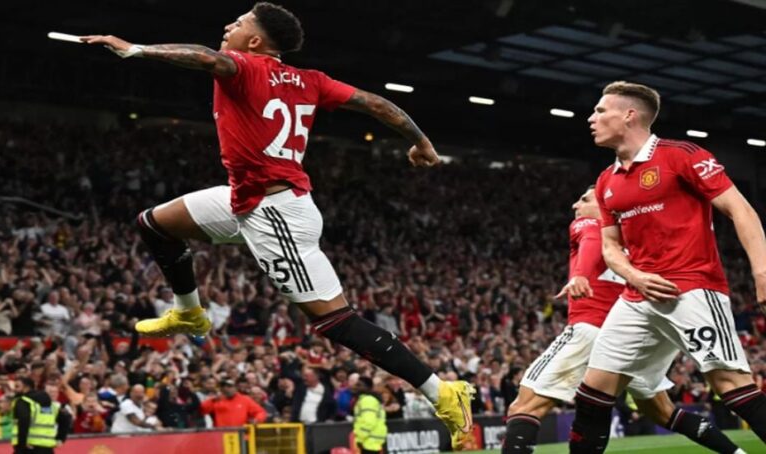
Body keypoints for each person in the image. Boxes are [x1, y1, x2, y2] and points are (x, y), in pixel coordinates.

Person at [81, 2, 474, 446]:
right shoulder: (311, 80)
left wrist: (137, 50)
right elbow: (376, 104)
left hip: (276, 215)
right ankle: (189, 312)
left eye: (239, 22)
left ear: (254, 41)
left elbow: (205, 58)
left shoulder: (244, 67)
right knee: (155, 224)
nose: (228, 25)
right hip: (245, 198)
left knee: (335, 321)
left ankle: (442, 392)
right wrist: (421, 142)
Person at [569, 81, 766, 452]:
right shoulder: (606, 180)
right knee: (592, 392)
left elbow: (740, 210)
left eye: (600, 110)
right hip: (636, 296)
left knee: (730, 385)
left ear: (629, 115)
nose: (592, 118)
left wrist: (762, 273)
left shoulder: (683, 155)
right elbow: (611, 247)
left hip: (691, 288)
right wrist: (635, 276)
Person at [503, 187, 743, 454]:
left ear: (606, 206)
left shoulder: (590, 223)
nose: (575, 205)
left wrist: (580, 274)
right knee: (663, 411)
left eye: (584, 199)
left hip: (594, 328)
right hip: (639, 334)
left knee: (524, 406)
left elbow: (591, 239)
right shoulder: (638, 237)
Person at [12, 377, 70, 454]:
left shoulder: (23, 401)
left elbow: (24, 421)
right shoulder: (51, 405)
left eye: (17, 386)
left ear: (26, 387)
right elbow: (66, 418)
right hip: (47, 447)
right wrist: (60, 438)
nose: (14, 389)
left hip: (29, 446)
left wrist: (22, 444)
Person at [199, 379, 266, 427]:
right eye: (224, 387)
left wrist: (257, 420)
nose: (226, 389)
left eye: (229, 386)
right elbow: (202, 410)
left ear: (235, 388)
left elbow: (260, 412)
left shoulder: (244, 399)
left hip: (241, 435)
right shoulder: (215, 400)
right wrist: (212, 400)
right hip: (221, 435)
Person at [353, 377, 387, 454]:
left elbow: (369, 422)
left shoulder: (367, 400)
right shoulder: (368, 399)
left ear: (367, 387)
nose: (355, 387)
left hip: (368, 442)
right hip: (371, 442)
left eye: (359, 385)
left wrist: (360, 439)